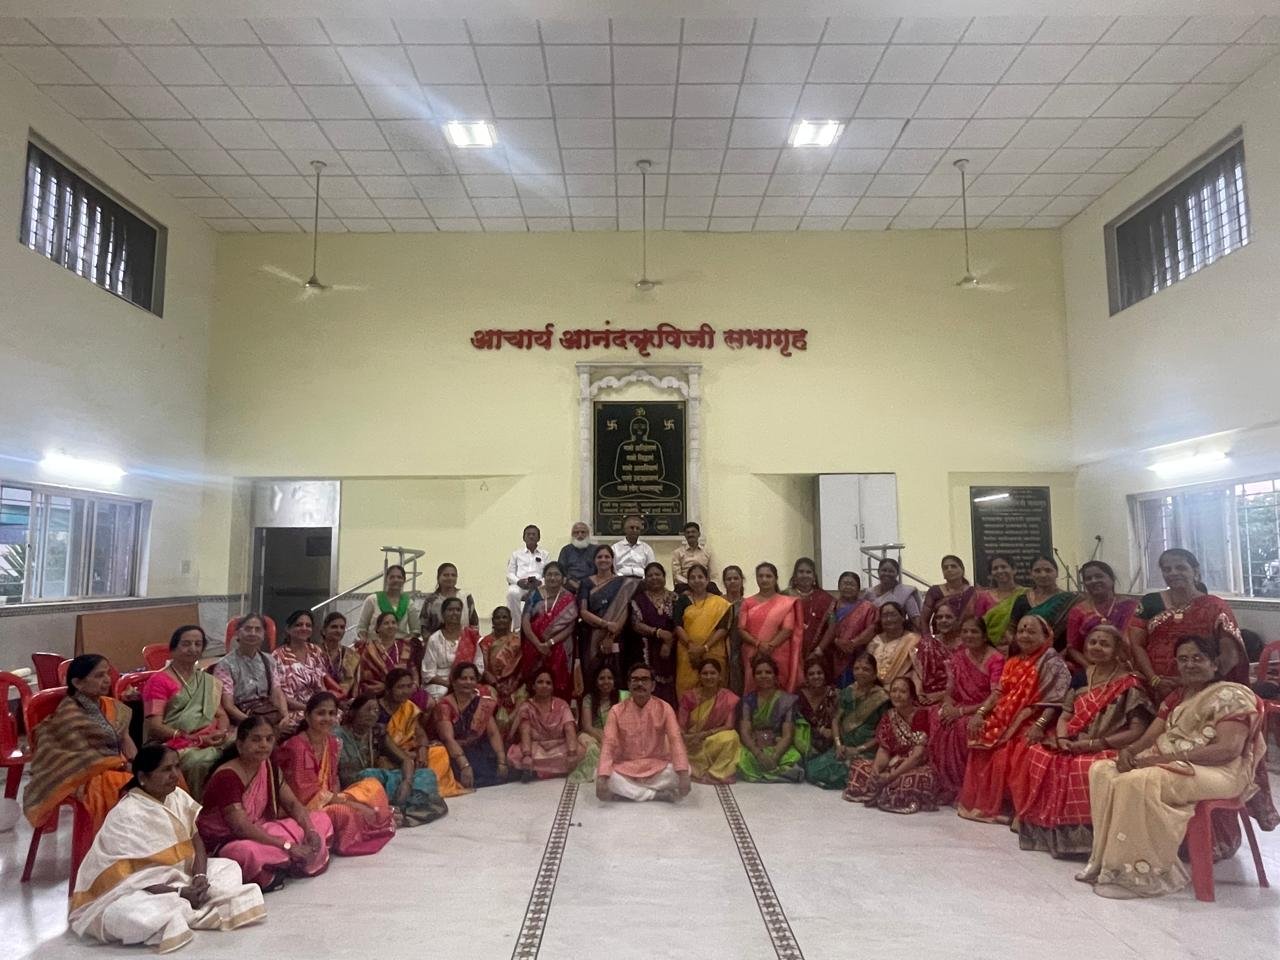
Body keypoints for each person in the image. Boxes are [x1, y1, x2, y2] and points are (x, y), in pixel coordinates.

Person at [1081, 635, 1268, 898]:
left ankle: (1141, 874)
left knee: (1139, 781)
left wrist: (1159, 761)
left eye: (1197, 658)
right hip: (1174, 762)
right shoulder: (1177, 696)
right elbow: (1150, 738)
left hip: (1222, 772)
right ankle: (1108, 864)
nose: (1189, 664)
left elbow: (1228, 750)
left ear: (1214, 664)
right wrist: (1129, 752)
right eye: (1183, 659)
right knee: (1103, 770)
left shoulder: (1231, 695)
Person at [69, 745, 265, 952]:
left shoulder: (177, 796)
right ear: (142, 777)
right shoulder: (126, 815)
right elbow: (131, 880)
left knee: (229, 867)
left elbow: (196, 840)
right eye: (166, 770)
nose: (175, 775)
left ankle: (188, 905)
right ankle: (196, 904)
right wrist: (179, 891)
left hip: (182, 876)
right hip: (141, 891)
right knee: (130, 914)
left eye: (177, 767)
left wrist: (200, 876)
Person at [1012, 625, 1153, 857]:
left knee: (1081, 766)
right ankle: (1045, 832)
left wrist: (1094, 744)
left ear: (1118, 649)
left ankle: (1086, 841)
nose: (1097, 647)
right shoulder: (1081, 676)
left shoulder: (1130, 683)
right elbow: (1065, 715)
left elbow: (1138, 730)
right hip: (1073, 740)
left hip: (1109, 745)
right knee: (1039, 754)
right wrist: (1062, 738)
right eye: (1093, 642)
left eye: (1104, 644)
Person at [196, 716, 333, 892]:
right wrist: (288, 846)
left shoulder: (268, 765)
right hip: (227, 842)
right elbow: (241, 828)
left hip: (260, 830)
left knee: (319, 818)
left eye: (269, 739)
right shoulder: (227, 776)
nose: (264, 745)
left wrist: (310, 830)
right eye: (256, 739)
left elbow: (292, 804)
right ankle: (285, 862)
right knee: (248, 853)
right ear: (240, 745)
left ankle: (284, 862)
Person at [957, 614, 1071, 824]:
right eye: (1021, 631)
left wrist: (1039, 725)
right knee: (979, 734)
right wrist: (980, 713)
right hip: (1005, 716)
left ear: (1046, 635)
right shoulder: (1013, 662)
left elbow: (1055, 702)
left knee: (1011, 752)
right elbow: (998, 693)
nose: (1024, 635)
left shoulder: (1052, 662)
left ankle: (1013, 809)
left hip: (1035, 720)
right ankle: (991, 804)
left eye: (1031, 631)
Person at [24, 654, 135, 833]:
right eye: (99, 676)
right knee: (127, 787)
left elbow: (127, 744)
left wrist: (139, 765)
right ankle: (119, 844)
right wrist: (120, 765)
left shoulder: (112, 706)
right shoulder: (69, 715)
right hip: (84, 776)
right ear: (77, 683)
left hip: (115, 766)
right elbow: (74, 758)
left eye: (107, 673)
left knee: (160, 777)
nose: (107, 680)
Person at [274, 692, 395, 856]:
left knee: (372, 785)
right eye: (321, 713)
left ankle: (372, 817)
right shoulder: (297, 747)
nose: (327, 718)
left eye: (332, 713)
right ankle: (369, 822)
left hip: (327, 798)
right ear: (307, 716)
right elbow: (305, 793)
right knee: (344, 812)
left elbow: (333, 778)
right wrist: (349, 804)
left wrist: (343, 799)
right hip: (303, 807)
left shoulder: (332, 742)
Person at [1130, 547, 1249, 699]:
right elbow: (1136, 645)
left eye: (1180, 567)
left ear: (1195, 571)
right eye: (1167, 569)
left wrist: (1195, 681)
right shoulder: (1150, 602)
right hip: (1154, 688)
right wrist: (1154, 680)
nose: (1173, 573)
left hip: (1203, 690)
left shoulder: (1215, 606)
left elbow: (1230, 655)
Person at [143, 625, 230, 799]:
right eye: (186, 644)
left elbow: (221, 714)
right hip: (174, 742)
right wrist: (192, 738)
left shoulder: (206, 680)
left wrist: (221, 732)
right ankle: (197, 806)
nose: (193, 649)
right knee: (201, 761)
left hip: (211, 737)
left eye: (198, 644)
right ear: (173, 648)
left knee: (244, 746)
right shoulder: (159, 681)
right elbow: (154, 726)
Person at [336, 694, 446, 827]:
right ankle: (402, 811)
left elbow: (405, 760)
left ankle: (399, 809)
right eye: (368, 709)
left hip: (378, 783)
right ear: (353, 712)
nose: (372, 714)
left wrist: (406, 782)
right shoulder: (337, 735)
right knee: (370, 776)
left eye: (376, 710)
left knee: (425, 774)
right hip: (355, 788)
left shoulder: (377, 732)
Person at [928, 616, 1005, 805]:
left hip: (986, 709)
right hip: (961, 705)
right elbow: (950, 690)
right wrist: (947, 706)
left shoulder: (996, 659)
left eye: (974, 631)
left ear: (984, 636)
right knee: (936, 716)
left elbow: (996, 697)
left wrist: (961, 712)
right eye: (965, 631)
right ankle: (946, 784)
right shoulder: (958, 657)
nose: (969, 635)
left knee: (962, 726)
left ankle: (965, 787)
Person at [596, 663, 691, 802]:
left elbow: (675, 739)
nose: (639, 684)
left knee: (684, 770)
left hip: (656, 766)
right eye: (635, 680)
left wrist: (683, 774)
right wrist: (602, 777)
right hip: (626, 767)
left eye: (644, 679)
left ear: (653, 685)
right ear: (629, 685)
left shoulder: (665, 708)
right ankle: (654, 795)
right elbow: (608, 744)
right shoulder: (616, 711)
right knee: (601, 774)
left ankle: (631, 792)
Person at [843, 677, 938, 814]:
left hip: (915, 765)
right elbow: (884, 749)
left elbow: (918, 756)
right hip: (894, 762)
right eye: (894, 691)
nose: (897, 695)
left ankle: (887, 790)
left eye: (903, 692)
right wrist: (876, 770)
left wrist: (891, 776)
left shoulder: (920, 715)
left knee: (911, 780)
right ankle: (881, 787)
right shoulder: (890, 715)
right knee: (859, 766)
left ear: (912, 696)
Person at [375, 667, 464, 798]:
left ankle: (435, 789)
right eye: (400, 687)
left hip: (408, 751)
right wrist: (406, 755)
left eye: (409, 686)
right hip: (386, 754)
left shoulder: (408, 707)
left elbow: (420, 732)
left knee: (438, 752)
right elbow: (381, 742)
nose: (406, 691)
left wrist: (422, 749)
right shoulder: (376, 709)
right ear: (388, 689)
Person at [806, 653, 891, 789]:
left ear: (874, 674)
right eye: (856, 668)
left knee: (851, 771)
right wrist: (838, 744)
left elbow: (884, 733)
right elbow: (836, 720)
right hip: (844, 748)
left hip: (867, 750)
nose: (860, 672)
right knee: (811, 770)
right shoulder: (848, 691)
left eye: (866, 669)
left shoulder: (882, 697)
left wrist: (858, 749)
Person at [435, 662, 510, 789]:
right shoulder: (444, 705)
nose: (468, 682)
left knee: (505, 769)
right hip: (455, 752)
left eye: (472, 678)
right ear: (454, 681)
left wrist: (502, 760)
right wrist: (464, 765)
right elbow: (448, 739)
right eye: (463, 678)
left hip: (478, 748)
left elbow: (493, 734)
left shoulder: (482, 703)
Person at [1064, 561, 1138, 680]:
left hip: (1127, 667)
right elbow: (1072, 648)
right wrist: (1090, 669)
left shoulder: (1130, 606)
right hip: (1090, 669)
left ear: (1111, 579)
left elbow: (1137, 642)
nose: (1093, 581)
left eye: (1099, 576)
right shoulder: (1078, 611)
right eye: (1088, 578)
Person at [737, 656, 804, 783]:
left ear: (775, 676)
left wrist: (775, 756)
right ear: (754, 677)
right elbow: (745, 733)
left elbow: (788, 735)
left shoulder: (786, 700)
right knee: (741, 757)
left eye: (768, 672)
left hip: (777, 745)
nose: (763, 676)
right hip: (756, 746)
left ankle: (771, 770)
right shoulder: (748, 700)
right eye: (759, 673)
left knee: (794, 755)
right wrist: (759, 755)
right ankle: (782, 773)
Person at [213, 614, 288, 728]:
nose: (253, 633)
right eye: (248, 629)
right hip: (241, 719)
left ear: (263, 635)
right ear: (238, 633)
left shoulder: (269, 660)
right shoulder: (225, 664)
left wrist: (285, 715)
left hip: (267, 714)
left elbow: (277, 692)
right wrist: (254, 723)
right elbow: (228, 705)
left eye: (258, 629)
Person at [738, 562, 802, 694]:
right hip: (753, 652)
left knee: (780, 688)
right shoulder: (747, 603)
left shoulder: (786, 602)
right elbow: (741, 629)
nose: (764, 579)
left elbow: (787, 629)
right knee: (753, 689)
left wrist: (770, 646)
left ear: (775, 578)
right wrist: (758, 644)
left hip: (778, 651)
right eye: (760, 576)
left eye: (768, 576)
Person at [579, 543, 640, 679]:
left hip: (615, 636)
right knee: (591, 673)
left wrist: (611, 636)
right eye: (599, 557)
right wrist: (606, 624)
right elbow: (583, 611)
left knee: (616, 673)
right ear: (594, 560)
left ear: (612, 560)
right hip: (591, 635)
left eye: (607, 557)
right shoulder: (586, 583)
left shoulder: (622, 583)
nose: (603, 560)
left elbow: (624, 610)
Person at [507, 669, 581, 780]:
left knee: (581, 751)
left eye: (548, 683)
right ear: (533, 686)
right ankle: (555, 770)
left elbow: (569, 728)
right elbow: (525, 731)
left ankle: (537, 771)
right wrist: (527, 755)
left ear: (552, 687)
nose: (544, 685)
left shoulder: (562, 704)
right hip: (536, 746)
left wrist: (572, 753)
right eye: (540, 682)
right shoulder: (527, 706)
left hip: (559, 745)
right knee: (515, 754)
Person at [521, 562, 579, 703]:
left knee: (559, 682)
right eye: (549, 574)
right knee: (534, 680)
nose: (553, 578)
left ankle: (559, 710)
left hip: (560, 646)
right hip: (534, 646)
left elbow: (570, 627)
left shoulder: (569, 598)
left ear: (563, 578)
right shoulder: (535, 594)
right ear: (544, 577)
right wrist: (538, 644)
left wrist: (550, 643)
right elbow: (525, 621)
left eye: (557, 574)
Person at [673, 563, 732, 697]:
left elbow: (723, 628)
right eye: (692, 578)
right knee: (687, 690)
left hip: (713, 650)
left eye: (700, 577)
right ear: (688, 581)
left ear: (707, 580)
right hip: (687, 652)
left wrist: (704, 648)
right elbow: (677, 625)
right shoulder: (682, 600)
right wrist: (691, 646)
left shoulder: (720, 603)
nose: (697, 580)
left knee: (714, 689)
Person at [678, 660, 741, 784]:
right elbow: (680, 726)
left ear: (720, 676)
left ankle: (715, 773)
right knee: (667, 741)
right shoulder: (689, 697)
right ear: (699, 676)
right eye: (705, 673)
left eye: (712, 673)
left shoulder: (728, 697)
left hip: (712, 741)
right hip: (691, 742)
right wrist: (687, 738)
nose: (709, 677)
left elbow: (729, 726)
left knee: (732, 736)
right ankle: (692, 768)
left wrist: (704, 734)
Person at [813, 571, 878, 686]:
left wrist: (853, 643)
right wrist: (836, 641)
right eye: (845, 583)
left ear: (858, 588)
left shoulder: (868, 607)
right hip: (834, 655)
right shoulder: (832, 606)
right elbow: (826, 629)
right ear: (839, 586)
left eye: (851, 584)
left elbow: (872, 629)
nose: (848, 587)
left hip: (858, 654)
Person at [272, 610, 330, 734]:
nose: (304, 628)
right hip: (291, 709)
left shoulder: (316, 651)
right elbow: (279, 694)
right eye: (299, 625)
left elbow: (321, 685)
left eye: (308, 625)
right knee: (307, 721)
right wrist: (309, 708)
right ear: (288, 629)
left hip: (316, 707)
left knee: (336, 716)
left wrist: (326, 704)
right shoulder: (278, 655)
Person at [569, 665, 627, 784]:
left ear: (614, 681)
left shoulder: (624, 696)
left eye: (609, 678)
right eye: (601, 678)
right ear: (596, 681)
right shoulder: (589, 698)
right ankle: (599, 773)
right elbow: (587, 726)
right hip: (593, 734)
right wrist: (603, 738)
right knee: (591, 747)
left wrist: (611, 738)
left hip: (616, 734)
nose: (606, 681)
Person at [1004, 556, 1080, 649]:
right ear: (1031, 574)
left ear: (1056, 573)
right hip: (1026, 654)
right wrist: (1023, 647)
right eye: (1037, 571)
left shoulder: (1070, 600)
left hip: (1061, 653)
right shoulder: (1022, 600)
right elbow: (1010, 630)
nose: (1043, 575)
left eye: (1048, 570)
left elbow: (1076, 633)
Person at [356, 610, 427, 707]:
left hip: (405, 690)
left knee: (429, 702)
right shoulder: (369, 649)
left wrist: (414, 685)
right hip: (380, 692)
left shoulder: (405, 646)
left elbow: (413, 670)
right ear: (377, 628)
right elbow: (366, 678)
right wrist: (387, 687)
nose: (391, 626)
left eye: (393, 623)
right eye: (386, 623)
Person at [630, 561, 678, 705]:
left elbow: (680, 623)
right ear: (645, 579)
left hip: (674, 649)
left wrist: (668, 643)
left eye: (658, 574)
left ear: (664, 576)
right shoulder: (639, 600)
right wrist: (657, 632)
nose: (654, 578)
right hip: (647, 649)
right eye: (650, 575)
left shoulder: (675, 598)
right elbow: (636, 624)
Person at [422, 597, 484, 699]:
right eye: (450, 610)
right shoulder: (435, 639)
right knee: (441, 696)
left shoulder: (470, 635)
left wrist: (467, 682)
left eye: (458, 610)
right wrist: (451, 685)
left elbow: (479, 665)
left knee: (483, 697)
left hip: (468, 681)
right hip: (441, 683)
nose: (454, 613)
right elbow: (428, 673)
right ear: (443, 614)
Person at [480, 606, 527, 738]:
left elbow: (522, 666)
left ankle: (513, 737)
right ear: (493, 621)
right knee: (488, 697)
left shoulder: (518, 641)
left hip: (515, 684)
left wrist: (513, 685)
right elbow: (484, 669)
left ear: (510, 620)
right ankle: (492, 737)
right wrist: (498, 686)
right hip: (494, 684)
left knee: (523, 697)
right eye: (498, 617)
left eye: (504, 617)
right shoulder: (485, 642)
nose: (501, 620)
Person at [920, 555, 993, 639]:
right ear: (943, 573)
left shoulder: (973, 593)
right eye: (945, 568)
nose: (949, 569)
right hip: (941, 639)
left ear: (962, 570)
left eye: (953, 566)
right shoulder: (934, 591)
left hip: (967, 639)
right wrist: (927, 640)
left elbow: (981, 620)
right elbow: (924, 620)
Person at [788, 557, 836, 675]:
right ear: (795, 575)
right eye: (801, 572)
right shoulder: (784, 596)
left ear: (814, 576)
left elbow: (832, 626)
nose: (805, 575)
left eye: (808, 572)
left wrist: (819, 650)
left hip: (817, 654)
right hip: (789, 652)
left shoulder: (825, 599)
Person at [355, 564, 420, 642]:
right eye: (392, 577)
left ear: (404, 580)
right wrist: (366, 643)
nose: (396, 580)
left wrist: (405, 644)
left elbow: (416, 630)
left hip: (399, 646)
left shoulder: (409, 603)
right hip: (375, 645)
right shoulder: (372, 600)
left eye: (399, 577)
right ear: (386, 580)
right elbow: (362, 628)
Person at [865, 602, 921, 687]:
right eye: (884, 616)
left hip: (901, 689)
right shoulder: (875, 641)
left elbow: (918, 671)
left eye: (893, 615)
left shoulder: (914, 640)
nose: (888, 619)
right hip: (874, 689)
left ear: (903, 617)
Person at [418, 562, 480, 637]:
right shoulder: (431, 600)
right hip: (437, 642)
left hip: (463, 641)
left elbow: (474, 624)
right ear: (438, 577)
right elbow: (424, 626)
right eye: (446, 575)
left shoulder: (466, 597)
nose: (450, 578)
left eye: (453, 575)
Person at [913, 605, 958, 705]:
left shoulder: (966, 646)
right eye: (939, 617)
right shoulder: (926, 644)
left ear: (957, 620)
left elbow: (968, 681)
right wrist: (919, 694)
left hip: (957, 699)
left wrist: (942, 695)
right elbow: (917, 673)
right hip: (927, 698)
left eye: (948, 617)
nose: (943, 620)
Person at [794, 660, 838, 761]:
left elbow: (839, 719)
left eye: (819, 673)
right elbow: (795, 722)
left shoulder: (833, 694)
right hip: (804, 741)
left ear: (825, 675)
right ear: (806, 678)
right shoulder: (799, 695)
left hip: (829, 742)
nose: (816, 676)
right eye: (811, 674)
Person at [980, 554, 1026, 647]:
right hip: (989, 647)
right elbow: (978, 625)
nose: (1000, 571)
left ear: (1014, 569)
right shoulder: (984, 597)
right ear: (991, 573)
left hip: (1020, 646)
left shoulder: (1025, 594)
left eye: (1004, 567)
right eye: (995, 568)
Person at [506, 524, 549, 622]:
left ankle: (541, 624)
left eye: (534, 534)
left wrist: (540, 582)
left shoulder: (545, 554)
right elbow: (509, 574)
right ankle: (517, 626)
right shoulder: (516, 554)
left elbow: (548, 573)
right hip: (521, 585)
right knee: (512, 593)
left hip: (539, 586)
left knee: (548, 594)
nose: (531, 536)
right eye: (528, 534)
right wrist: (518, 581)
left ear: (538, 538)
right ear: (523, 538)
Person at [318, 612, 360, 704]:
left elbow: (354, 686)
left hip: (345, 702)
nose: (338, 630)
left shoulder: (352, 655)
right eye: (334, 627)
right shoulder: (314, 652)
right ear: (324, 630)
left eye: (342, 627)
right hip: (318, 700)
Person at [864, 557, 922, 626]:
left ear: (897, 574)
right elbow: (863, 616)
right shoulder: (869, 593)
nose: (887, 573)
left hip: (897, 630)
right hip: (873, 630)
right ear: (878, 572)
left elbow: (915, 619)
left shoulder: (905, 592)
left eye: (891, 571)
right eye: (884, 570)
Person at [722, 565, 748, 695]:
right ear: (724, 582)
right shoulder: (717, 603)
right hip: (720, 650)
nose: (732, 581)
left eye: (736, 578)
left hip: (741, 652)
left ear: (742, 580)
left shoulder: (748, 604)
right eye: (729, 579)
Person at [671, 521, 714, 592]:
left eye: (693, 532)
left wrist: (702, 583)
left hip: (704, 585)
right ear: (685, 535)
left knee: (714, 589)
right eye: (688, 532)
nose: (690, 534)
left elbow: (712, 574)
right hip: (685, 585)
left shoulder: (707, 552)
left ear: (699, 534)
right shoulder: (677, 553)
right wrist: (691, 583)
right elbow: (677, 575)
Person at [612, 514, 657, 579]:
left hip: (642, 581)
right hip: (621, 580)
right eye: (632, 528)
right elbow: (612, 569)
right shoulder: (615, 548)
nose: (635, 530)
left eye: (637, 528)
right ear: (625, 530)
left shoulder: (647, 548)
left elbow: (652, 568)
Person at [556, 521, 596, 593]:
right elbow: (561, 569)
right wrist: (571, 581)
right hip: (569, 585)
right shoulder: (566, 550)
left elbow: (597, 570)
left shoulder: (595, 550)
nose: (580, 535)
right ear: (572, 535)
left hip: (591, 585)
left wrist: (585, 583)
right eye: (576, 532)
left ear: (588, 534)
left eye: (583, 532)